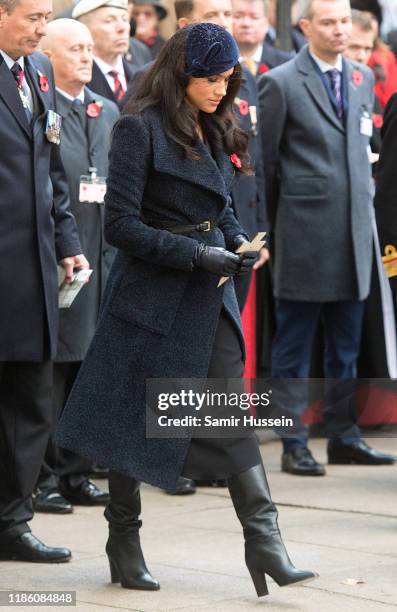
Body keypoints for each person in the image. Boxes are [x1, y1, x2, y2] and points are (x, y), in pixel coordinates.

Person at [56, 23, 317, 596]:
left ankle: (265, 541)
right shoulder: (135, 129)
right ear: (182, 74)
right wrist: (197, 253)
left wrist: (239, 245)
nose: (221, 89)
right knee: (131, 420)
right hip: (148, 296)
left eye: (227, 79)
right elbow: (121, 227)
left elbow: (220, 207)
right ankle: (123, 541)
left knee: (228, 412)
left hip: (208, 292)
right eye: (211, 79)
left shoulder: (214, 127)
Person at [258, 0, 396, 476]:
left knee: (346, 345)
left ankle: (344, 436)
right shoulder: (279, 83)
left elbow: (364, 147)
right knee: (294, 345)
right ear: (305, 27)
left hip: (355, 236)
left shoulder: (361, 77)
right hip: (303, 236)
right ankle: (294, 440)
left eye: (344, 22)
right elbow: (267, 167)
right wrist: (271, 230)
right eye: (329, 22)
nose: (341, 30)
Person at [0, 0, 89, 562]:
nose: (41, 27)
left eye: (45, 17)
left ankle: (14, 521)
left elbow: (52, 171)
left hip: (32, 269)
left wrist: (68, 245)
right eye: (32, 17)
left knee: (30, 400)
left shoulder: (37, 73)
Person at [31, 19, 119, 514]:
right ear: (47, 54)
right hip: (61, 257)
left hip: (103, 258)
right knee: (52, 375)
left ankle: (77, 472)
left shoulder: (104, 110)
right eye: (75, 48)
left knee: (91, 371)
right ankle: (42, 476)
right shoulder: (42, 109)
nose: (86, 56)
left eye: (89, 48)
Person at [73, 0, 137, 107]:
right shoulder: (77, 81)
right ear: (86, 30)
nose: (122, 28)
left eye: (125, 19)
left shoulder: (141, 76)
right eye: (109, 21)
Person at [232, 0, 291, 78]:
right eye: (238, 16)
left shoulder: (285, 64)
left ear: (266, 23)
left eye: (254, 17)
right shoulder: (216, 63)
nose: (246, 23)